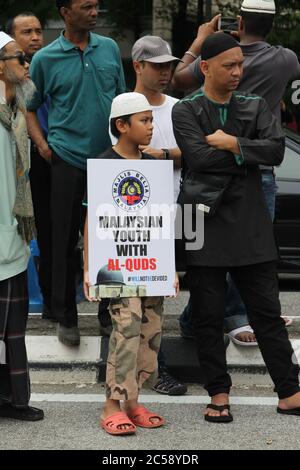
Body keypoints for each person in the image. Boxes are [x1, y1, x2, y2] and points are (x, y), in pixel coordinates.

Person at [172, 32, 300, 423]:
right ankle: (218, 392)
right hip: (198, 217)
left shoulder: (256, 103)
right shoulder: (186, 109)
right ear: (206, 68)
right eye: (230, 65)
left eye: (241, 65)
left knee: (266, 311)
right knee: (208, 313)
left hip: (250, 218)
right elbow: (197, 157)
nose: (237, 72)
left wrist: (231, 144)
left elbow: (277, 151)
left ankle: (290, 390)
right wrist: (247, 153)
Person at [26, 0, 126, 346]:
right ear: (65, 12)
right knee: (63, 241)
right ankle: (66, 315)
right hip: (66, 159)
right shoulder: (44, 59)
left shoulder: (110, 48)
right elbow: (29, 107)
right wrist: (41, 145)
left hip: (108, 159)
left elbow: (121, 104)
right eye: (86, 7)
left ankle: (108, 313)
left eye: (97, 6)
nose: (95, 12)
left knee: (108, 240)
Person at [84, 92, 179, 435]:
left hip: (151, 264)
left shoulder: (153, 165)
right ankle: (112, 403)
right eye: (144, 120)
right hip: (116, 266)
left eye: (152, 119)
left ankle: (133, 401)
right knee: (126, 327)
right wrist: (88, 266)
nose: (151, 127)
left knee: (150, 330)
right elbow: (92, 219)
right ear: (121, 125)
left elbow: (161, 218)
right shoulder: (102, 164)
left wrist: (169, 268)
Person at [99, 35, 187, 396]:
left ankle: (138, 393)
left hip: (161, 232)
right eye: (158, 65)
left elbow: (195, 153)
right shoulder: (110, 149)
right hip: (121, 251)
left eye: (170, 65)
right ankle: (114, 400)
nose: (166, 72)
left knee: (151, 319)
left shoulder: (179, 109)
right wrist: (96, 268)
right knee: (125, 318)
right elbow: (99, 218)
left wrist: (159, 155)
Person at [0, 31, 43, 421]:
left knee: (13, 330)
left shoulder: (14, 111)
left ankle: (13, 400)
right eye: (18, 58)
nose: (26, 64)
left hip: (11, 234)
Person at [6, 12, 53, 321]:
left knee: (51, 231)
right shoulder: (10, 83)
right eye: (27, 31)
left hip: (52, 160)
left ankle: (51, 297)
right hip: (19, 166)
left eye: (38, 30)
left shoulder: (48, 70)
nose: (36, 36)